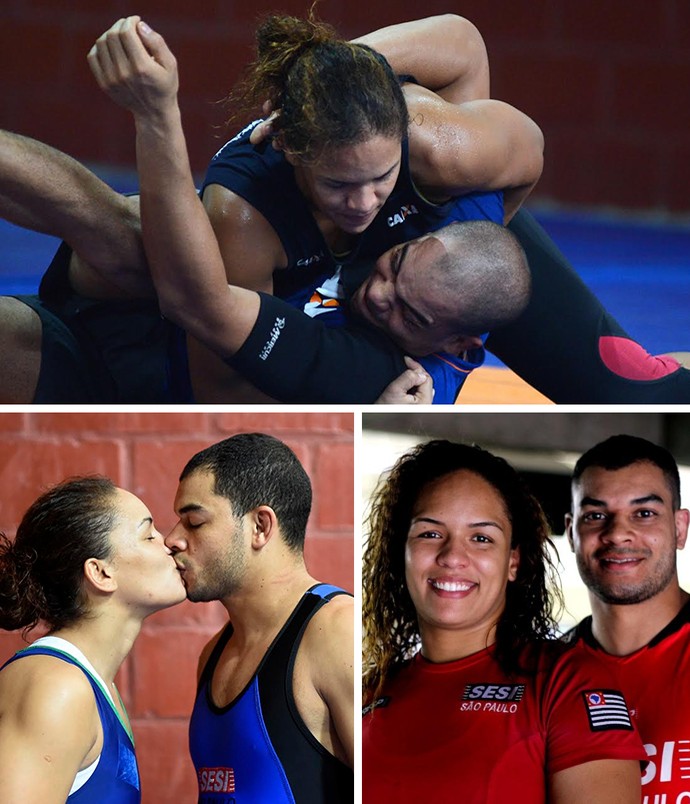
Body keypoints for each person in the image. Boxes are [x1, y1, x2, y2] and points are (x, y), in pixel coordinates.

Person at [361, 439, 645, 802]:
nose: (452, 556)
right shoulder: (369, 692)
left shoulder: (566, 683)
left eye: (481, 538)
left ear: (513, 562)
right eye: (430, 534)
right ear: (400, 551)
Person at [164, 433, 354, 803]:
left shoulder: (336, 632)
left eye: (194, 522)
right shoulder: (213, 654)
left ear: (260, 527)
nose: (172, 539)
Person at [0, 476, 186, 802]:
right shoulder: (56, 686)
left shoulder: (97, 686)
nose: (169, 541)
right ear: (100, 573)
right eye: (148, 535)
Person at [564, 434, 690, 802]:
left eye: (644, 513)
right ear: (571, 531)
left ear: (680, 528)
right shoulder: (545, 674)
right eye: (596, 515)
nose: (618, 533)